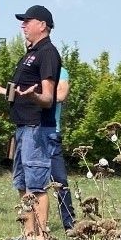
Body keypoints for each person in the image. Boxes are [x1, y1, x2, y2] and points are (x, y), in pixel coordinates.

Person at [0, 4, 61, 240]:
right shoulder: (30, 53)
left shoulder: (47, 53)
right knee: (23, 184)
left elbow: (48, 98)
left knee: (37, 185)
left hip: (37, 128)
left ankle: (42, 239)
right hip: (23, 127)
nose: (23, 25)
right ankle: (28, 235)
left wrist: (35, 96)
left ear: (42, 25)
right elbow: (21, 92)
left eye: (27, 21)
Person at [50, 64, 74, 231]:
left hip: (52, 132)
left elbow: (61, 95)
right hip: (31, 133)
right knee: (33, 183)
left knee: (60, 181)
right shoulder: (31, 70)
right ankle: (35, 227)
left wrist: (35, 94)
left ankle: (69, 224)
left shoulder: (60, 71)